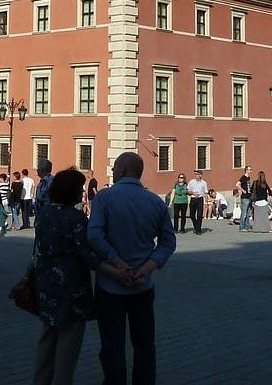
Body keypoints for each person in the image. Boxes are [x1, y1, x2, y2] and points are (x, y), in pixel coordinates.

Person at [31, 168, 127, 385]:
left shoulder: (44, 213)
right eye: (79, 188)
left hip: (46, 285)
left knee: (47, 338)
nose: (81, 191)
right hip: (70, 290)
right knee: (68, 344)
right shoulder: (75, 218)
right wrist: (117, 271)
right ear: (70, 191)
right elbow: (88, 256)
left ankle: (40, 381)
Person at [88, 153, 175, 385]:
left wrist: (117, 263)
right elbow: (168, 242)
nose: (112, 171)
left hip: (110, 286)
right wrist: (146, 268)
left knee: (112, 343)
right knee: (145, 344)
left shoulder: (104, 198)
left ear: (125, 170)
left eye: (115, 167)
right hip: (143, 286)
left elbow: (94, 235)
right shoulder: (155, 201)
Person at [186, 171, 208, 235]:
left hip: (200, 199)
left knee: (199, 215)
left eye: (197, 174)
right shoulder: (191, 181)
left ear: (201, 175)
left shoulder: (204, 183)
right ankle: (196, 226)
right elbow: (188, 191)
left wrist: (206, 201)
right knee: (192, 215)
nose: (196, 175)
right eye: (195, 174)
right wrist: (193, 193)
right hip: (193, 199)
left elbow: (206, 192)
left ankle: (198, 230)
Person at [34, 159, 55, 223]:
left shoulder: (45, 182)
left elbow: (40, 198)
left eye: (38, 168)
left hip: (45, 215)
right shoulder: (53, 180)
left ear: (42, 170)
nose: (37, 170)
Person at [236, 167, 253, 232]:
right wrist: (243, 190)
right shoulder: (243, 177)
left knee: (248, 213)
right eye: (250, 170)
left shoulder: (248, 178)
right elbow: (237, 184)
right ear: (246, 170)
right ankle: (241, 227)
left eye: (251, 170)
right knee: (244, 213)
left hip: (248, 197)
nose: (251, 171)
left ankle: (247, 226)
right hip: (244, 197)